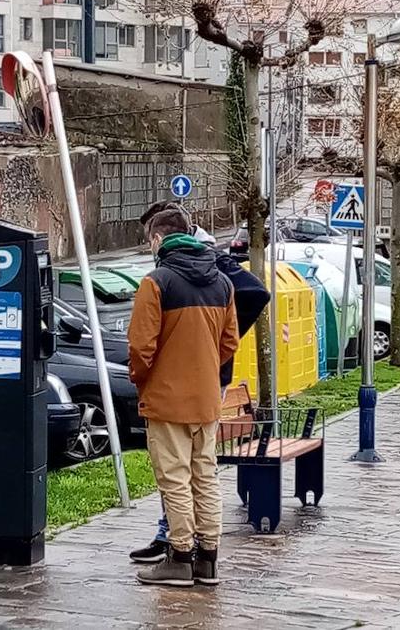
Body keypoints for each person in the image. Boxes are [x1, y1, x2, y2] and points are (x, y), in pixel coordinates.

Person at [128, 202, 271, 567]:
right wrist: (208, 368)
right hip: (207, 396)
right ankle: (208, 557)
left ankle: (178, 556)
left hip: (167, 399)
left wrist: (144, 382)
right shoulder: (222, 281)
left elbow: (140, 348)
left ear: (158, 239)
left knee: (174, 479)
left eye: (149, 241)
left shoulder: (156, 282)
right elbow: (229, 343)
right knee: (205, 476)